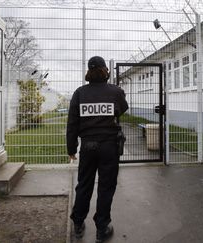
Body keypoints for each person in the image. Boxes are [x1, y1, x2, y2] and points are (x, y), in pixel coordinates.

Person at [67, 56, 129, 243]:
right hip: (109, 147)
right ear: (105, 70)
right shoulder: (116, 92)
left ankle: (78, 224)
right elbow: (123, 109)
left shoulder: (79, 93)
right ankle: (102, 228)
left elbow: (72, 124)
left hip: (87, 146)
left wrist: (71, 149)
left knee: (84, 185)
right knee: (106, 187)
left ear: (89, 71)